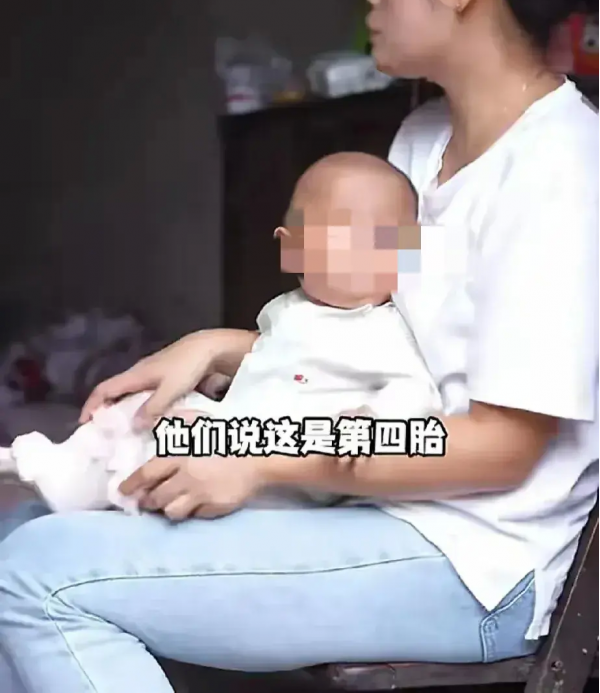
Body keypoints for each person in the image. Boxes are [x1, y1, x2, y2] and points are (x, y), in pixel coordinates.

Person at [0, 0, 597, 693]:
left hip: (473, 556)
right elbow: (390, 346)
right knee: (24, 526)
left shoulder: (560, 170)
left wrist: (263, 457)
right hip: (372, 503)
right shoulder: (422, 143)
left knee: (35, 576)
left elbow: (499, 448)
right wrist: (216, 346)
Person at [0, 154, 440, 515]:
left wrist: (372, 422)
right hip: (237, 431)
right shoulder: (286, 311)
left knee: (168, 453)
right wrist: (219, 383)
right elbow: (269, 361)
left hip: (296, 469)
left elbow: (416, 391)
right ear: (293, 247)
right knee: (143, 412)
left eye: (388, 241)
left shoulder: (384, 328)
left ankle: (95, 489)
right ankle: (63, 468)